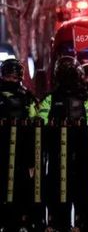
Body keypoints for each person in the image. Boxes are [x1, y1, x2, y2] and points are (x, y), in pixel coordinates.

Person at [38, 56, 88, 231]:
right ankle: (58, 222)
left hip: (82, 151)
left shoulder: (86, 98)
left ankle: (81, 222)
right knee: (56, 189)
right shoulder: (51, 98)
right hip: (57, 151)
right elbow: (41, 118)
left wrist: (85, 126)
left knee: (82, 189)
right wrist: (47, 125)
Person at [0, 59, 38, 231]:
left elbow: (35, 119)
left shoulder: (27, 96)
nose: (11, 80)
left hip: (23, 147)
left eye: (14, 77)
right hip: (3, 146)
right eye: (9, 77)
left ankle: (21, 220)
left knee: (22, 185)